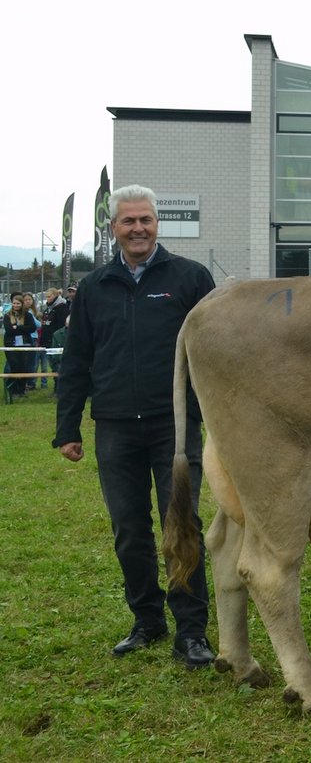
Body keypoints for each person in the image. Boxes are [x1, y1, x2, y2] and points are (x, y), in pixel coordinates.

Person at [54, 184, 217, 667]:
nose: (138, 228)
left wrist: (220, 423)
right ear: (114, 229)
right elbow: (77, 359)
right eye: (129, 221)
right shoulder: (94, 287)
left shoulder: (189, 278)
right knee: (129, 529)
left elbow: (215, 357)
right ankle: (147, 620)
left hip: (175, 426)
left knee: (181, 524)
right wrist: (67, 427)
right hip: (116, 427)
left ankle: (191, 632)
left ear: (156, 224)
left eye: (145, 220)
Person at [4, 289, 38, 399]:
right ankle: (13, 390)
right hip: (11, 344)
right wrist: (23, 329)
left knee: (24, 367)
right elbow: (9, 330)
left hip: (25, 344)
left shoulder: (27, 315)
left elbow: (32, 328)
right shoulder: (7, 316)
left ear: (21, 304)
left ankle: (21, 391)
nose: (15, 305)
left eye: (18, 303)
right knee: (14, 366)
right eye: (14, 303)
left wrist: (17, 327)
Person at [39, 286, 68, 389]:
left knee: (58, 366)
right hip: (47, 342)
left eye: (49, 296)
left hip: (56, 343)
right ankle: (57, 387)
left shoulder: (62, 308)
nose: (47, 298)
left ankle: (59, 389)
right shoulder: (48, 309)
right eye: (46, 296)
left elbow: (61, 326)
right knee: (53, 366)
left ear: (55, 296)